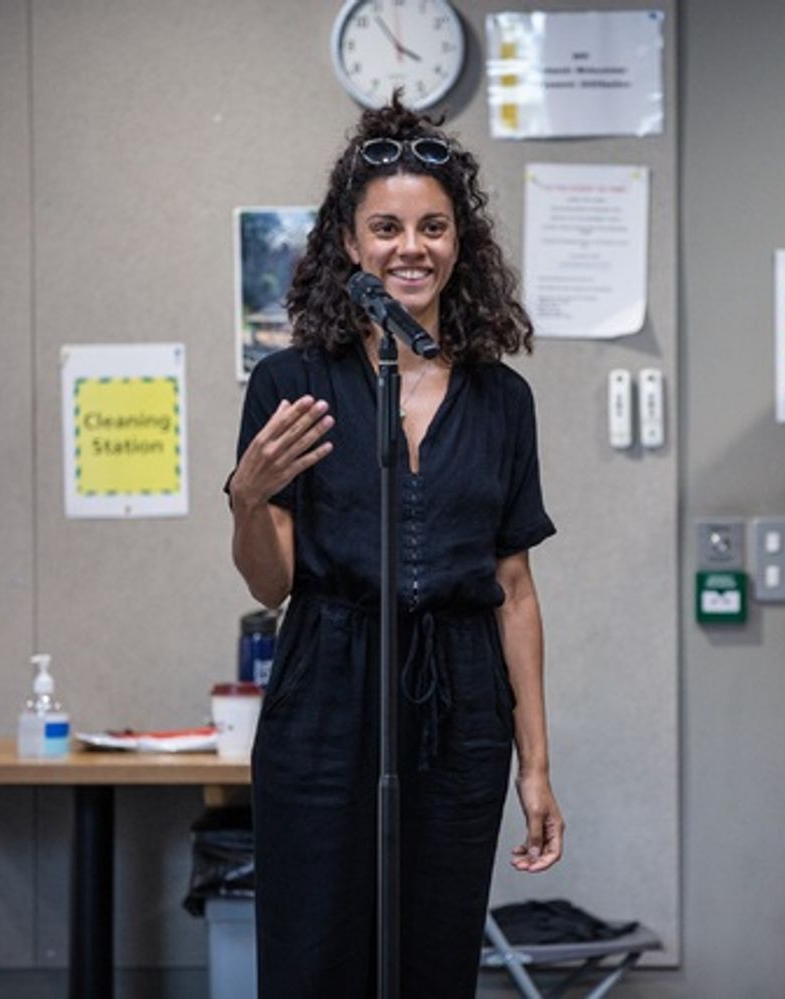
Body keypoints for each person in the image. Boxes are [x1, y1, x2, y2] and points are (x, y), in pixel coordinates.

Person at [227, 96, 563, 998]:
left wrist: (536, 765)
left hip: (460, 702)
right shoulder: (291, 383)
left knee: (433, 961)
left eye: (432, 226)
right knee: (314, 956)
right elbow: (274, 576)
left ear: (461, 243)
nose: (409, 247)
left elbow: (515, 588)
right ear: (349, 242)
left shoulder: (502, 400)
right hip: (327, 688)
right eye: (386, 226)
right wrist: (249, 500)